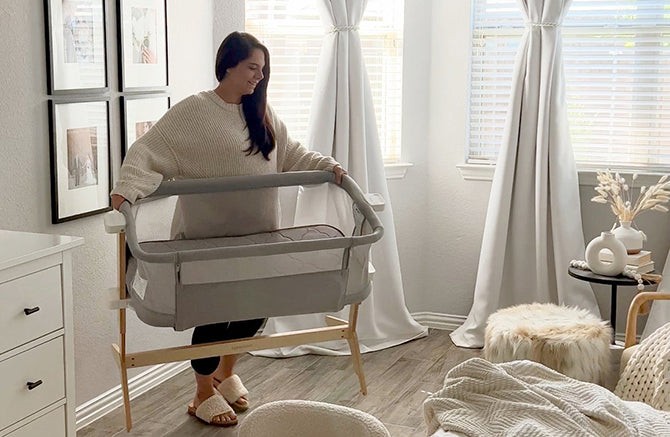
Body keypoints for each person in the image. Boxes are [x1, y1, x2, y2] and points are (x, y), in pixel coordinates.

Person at [110, 31, 346, 427]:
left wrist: (328, 166)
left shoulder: (263, 113)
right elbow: (146, 151)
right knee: (215, 315)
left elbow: (292, 154)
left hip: (259, 235)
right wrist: (125, 192)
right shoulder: (194, 112)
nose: (258, 76)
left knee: (255, 308)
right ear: (228, 65)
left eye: (263, 70)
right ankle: (202, 391)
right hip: (209, 238)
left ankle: (225, 372)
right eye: (252, 67)